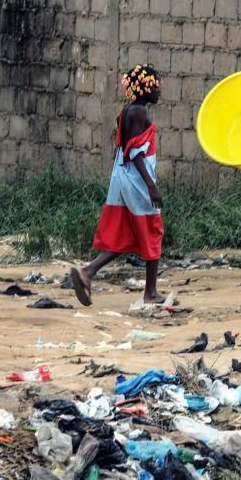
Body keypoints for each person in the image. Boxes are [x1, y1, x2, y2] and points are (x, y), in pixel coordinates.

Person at [70, 64, 167, 306]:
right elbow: (135, 151)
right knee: (153, 230)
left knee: (126, 234)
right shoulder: (138, 113)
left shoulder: (130, 110)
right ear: (143, 88)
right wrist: (150, 185)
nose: (158, 92)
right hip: (136, 181)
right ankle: (151, 293)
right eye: (154, 86)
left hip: (123, 177)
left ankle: (88, 272)